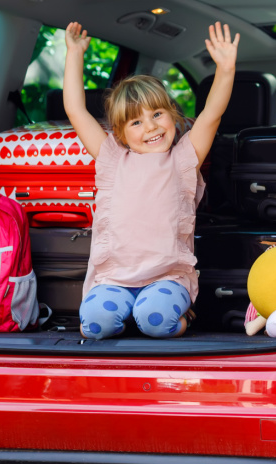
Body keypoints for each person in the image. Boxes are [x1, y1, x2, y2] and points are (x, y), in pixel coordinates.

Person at [64, 21, 239, 339]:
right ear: (119, 133)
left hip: (167, 278)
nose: (150, 127)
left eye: (157, 114)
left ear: (172, 115)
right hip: (114, 278)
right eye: (136, 121)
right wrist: (75, 54)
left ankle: (185, 312)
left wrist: (225, 69)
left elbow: (212, 113)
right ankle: (124, 312)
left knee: (156, 322)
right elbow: (76, 111)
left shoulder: (184, 158)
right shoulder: (112, 158)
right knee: (93, 327)